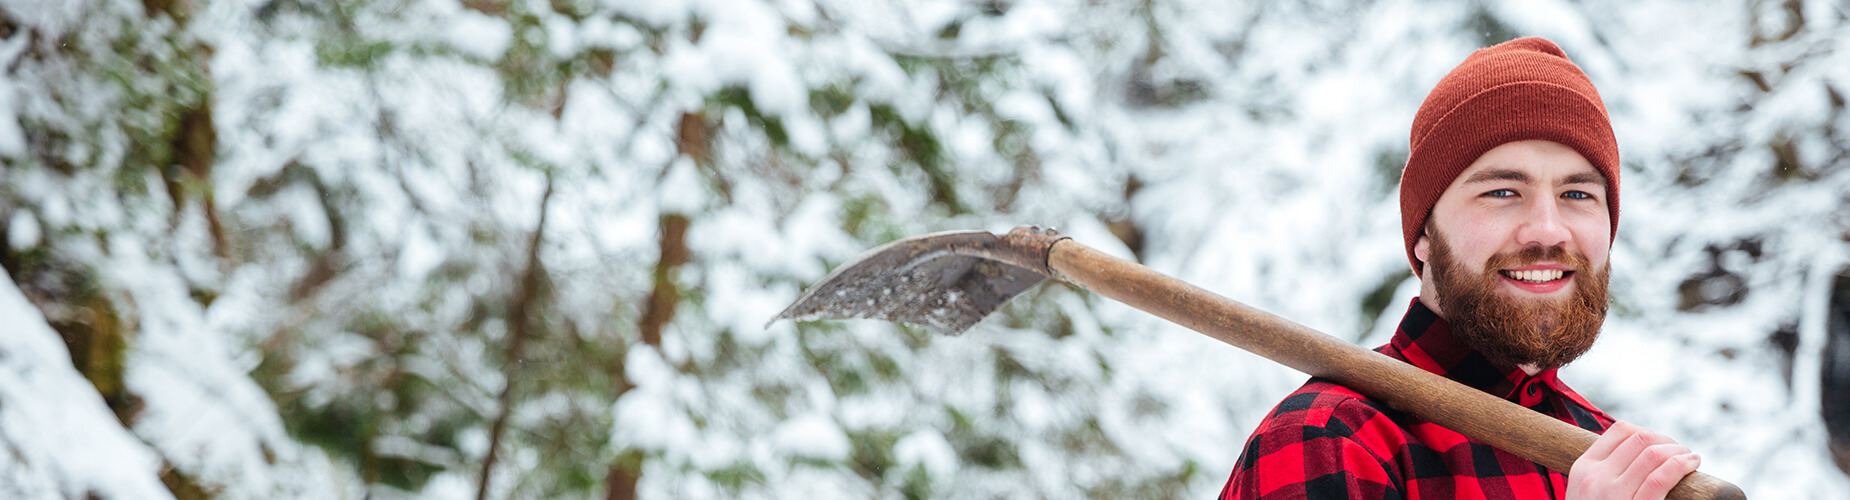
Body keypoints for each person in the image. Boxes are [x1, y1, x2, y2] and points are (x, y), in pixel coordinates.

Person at [1219, 37, 1701, 499]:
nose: (1548, 230)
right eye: (1502, 192)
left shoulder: (1605, 455)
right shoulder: (1331, 442)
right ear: (1424, 233)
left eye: (1577, 194)